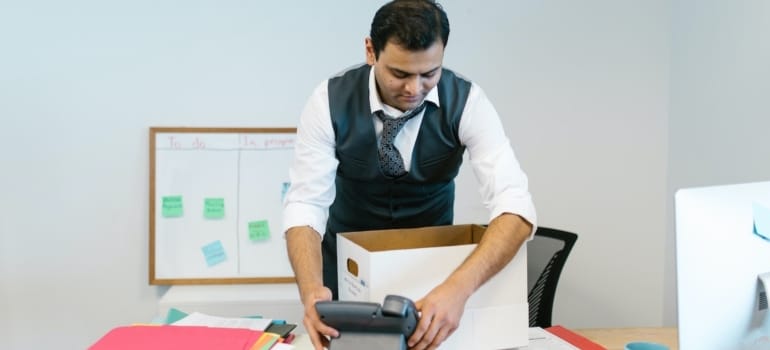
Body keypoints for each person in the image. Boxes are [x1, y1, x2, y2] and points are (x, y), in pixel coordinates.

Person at [282, 0, 536, 349]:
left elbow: (516, 207)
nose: (414, 89)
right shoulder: (327, 101)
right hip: (346, 282)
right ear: (371, 51)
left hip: (433, 288)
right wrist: (311, 290)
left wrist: (458, 289)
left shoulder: (468, 103)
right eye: (400, 74)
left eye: (430, 73)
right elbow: (305, 204)